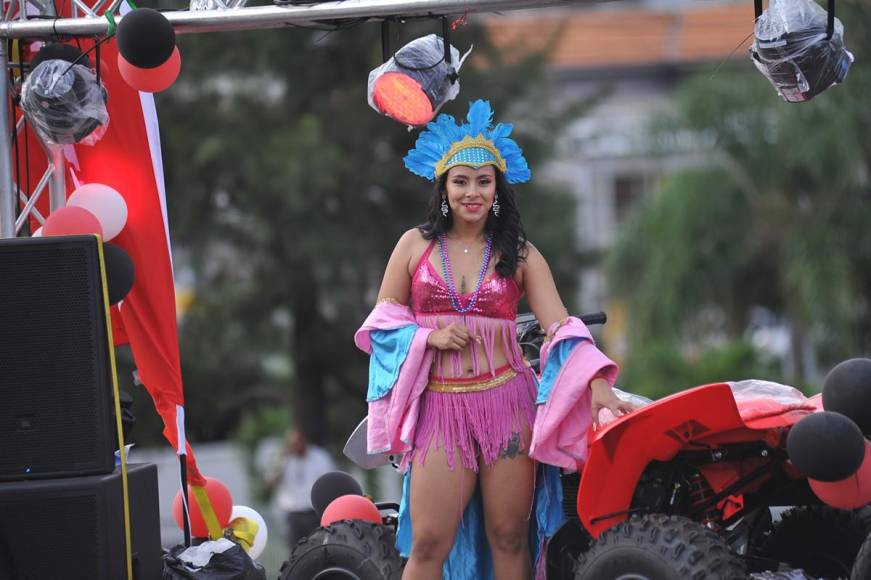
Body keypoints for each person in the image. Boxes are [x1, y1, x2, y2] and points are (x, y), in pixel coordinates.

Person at [355, 100, 635, 580]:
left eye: (484, 181)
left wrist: (597, 385)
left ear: (497, 190)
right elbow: (381, 325)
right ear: (443, 187)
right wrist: (428, 337)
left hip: (508, 408)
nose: (472, 192)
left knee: (509, 536)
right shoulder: (413, 246)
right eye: (461, 181)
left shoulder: (520, 253)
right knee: (427, 542)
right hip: (440, 411)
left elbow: (560, 326)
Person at [264, 428, 335, 552]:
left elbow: (328, 481)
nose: (295, 446)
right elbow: (270, 482)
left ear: (304, 441)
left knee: (319, 548)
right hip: (293, 515)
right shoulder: (283, 459)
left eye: (297, 442)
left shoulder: (320, 456)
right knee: (295, 552)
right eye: (291, 443)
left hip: (314, 512)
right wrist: (282, 460)